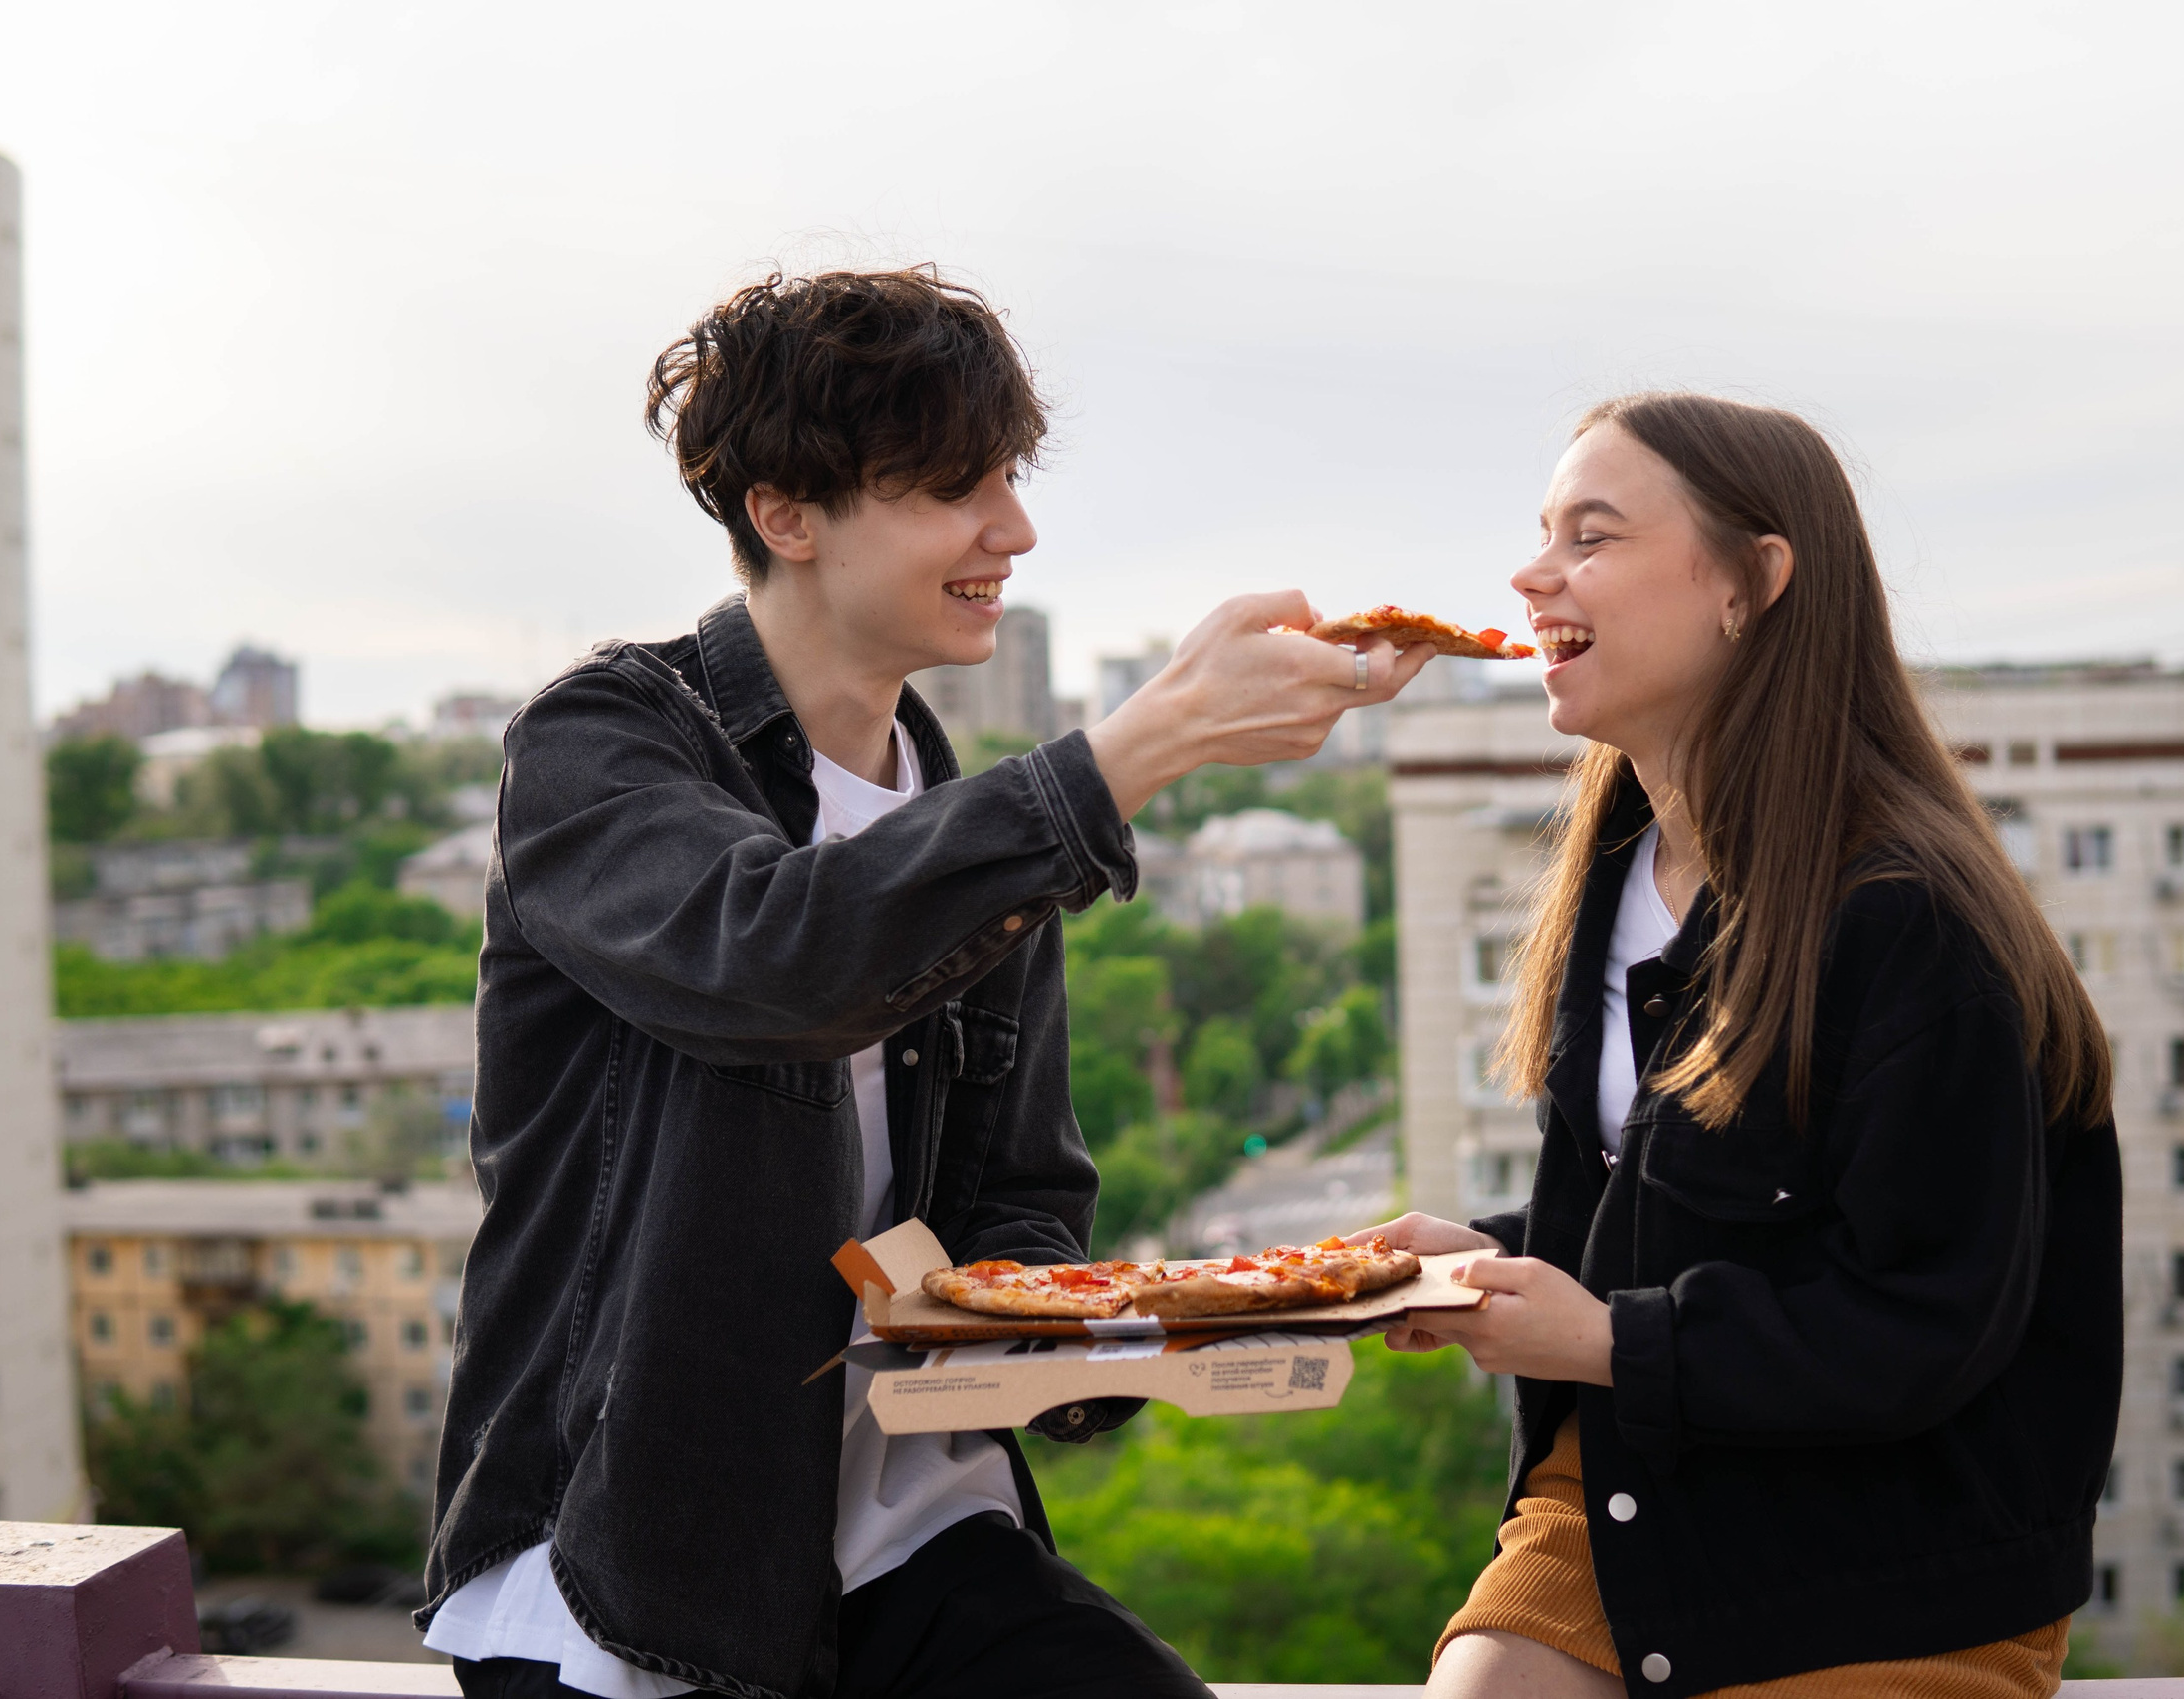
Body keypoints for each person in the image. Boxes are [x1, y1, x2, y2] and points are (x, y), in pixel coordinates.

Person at [413, 267, 1431, 1699]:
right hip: (630, 1573)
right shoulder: (599, 744)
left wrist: (1165, 1323)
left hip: (909, 1531)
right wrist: (1139, 746)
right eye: (959, 487)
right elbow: (777, 963)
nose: (1013, 530)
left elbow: (1016, 1199)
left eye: (1009, 478)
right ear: (787, 514)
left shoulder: (964, 820)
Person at [1354, 393, 2122, 1698]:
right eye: (1542, 536)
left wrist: (1607, 1342)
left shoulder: (1908, 921)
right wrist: (1485, 1262)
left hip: (1891, 1553)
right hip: (1638, 1487)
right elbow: (1681, 1219)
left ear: (1753, 584)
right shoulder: (1617, 867)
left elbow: (1926, 1322)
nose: (1532, 576)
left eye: (1592, 537)